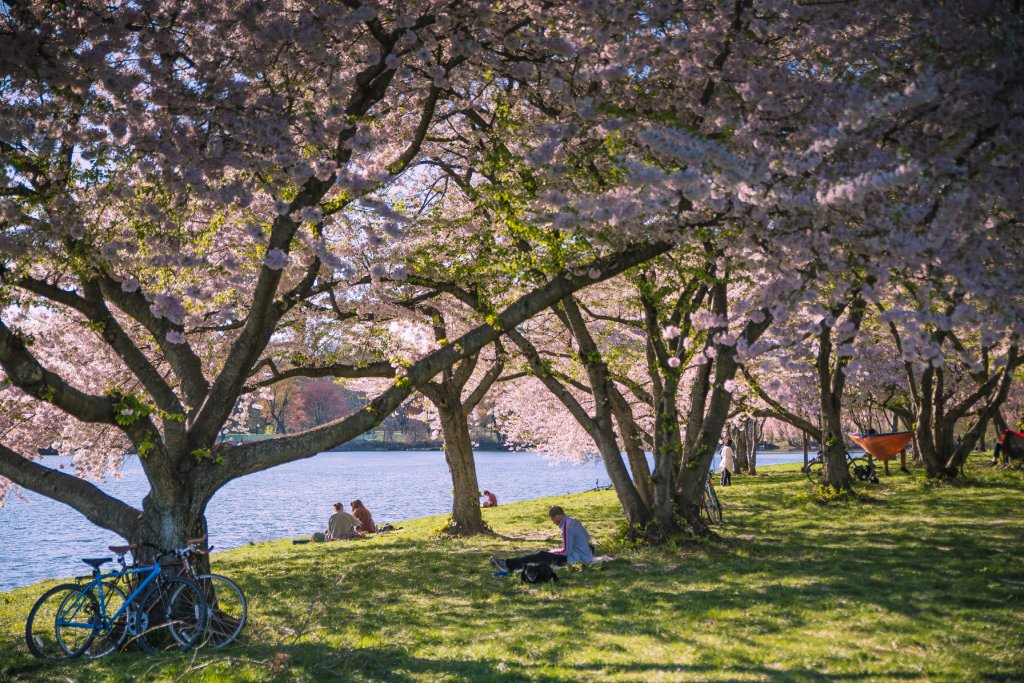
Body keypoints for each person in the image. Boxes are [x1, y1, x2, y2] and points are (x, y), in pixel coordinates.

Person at [489, 505, 592, 575]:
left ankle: (508, 565)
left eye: (553, 519)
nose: (553, 522)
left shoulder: (566, 526)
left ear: (557, 516)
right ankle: (508, 563)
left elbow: (566, 551)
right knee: (545, 555)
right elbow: (587, 537)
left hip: (575, 559)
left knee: (541, 555)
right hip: (586, 555)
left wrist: (552, 551)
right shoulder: (574, 521)